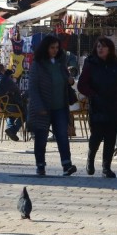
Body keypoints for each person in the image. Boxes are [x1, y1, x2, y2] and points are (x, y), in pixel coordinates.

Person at [77, 37, 117, 178]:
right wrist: (93, 94)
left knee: (111, 138)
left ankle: (107, 167)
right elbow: (82, 85)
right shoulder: (90, 63)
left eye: (104, 46)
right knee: (96, 136)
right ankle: (90, 159)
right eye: (98, 46)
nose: (100, 49)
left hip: (115, 105)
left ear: (110, 49)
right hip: (98, 105)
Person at [27, 34, 77, 177]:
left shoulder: (60, 63)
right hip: (43, 108)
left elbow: (65, 79)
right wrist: (39, 106)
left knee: (62, 135)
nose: (55, 50)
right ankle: (40, 165)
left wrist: (70, 81)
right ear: (46, 48)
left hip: (60, 107)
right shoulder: (38, 64)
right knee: (41, 138)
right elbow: (33, 88)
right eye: (52, 48)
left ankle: (67, 165)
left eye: (57, 47)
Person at [0, 63, 25, 141]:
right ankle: (13, 129)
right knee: (25, 112)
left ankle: (10, 128)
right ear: (2, 70)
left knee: (11, 111)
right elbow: (17, 90)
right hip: (6, 107)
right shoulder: (5, 79)